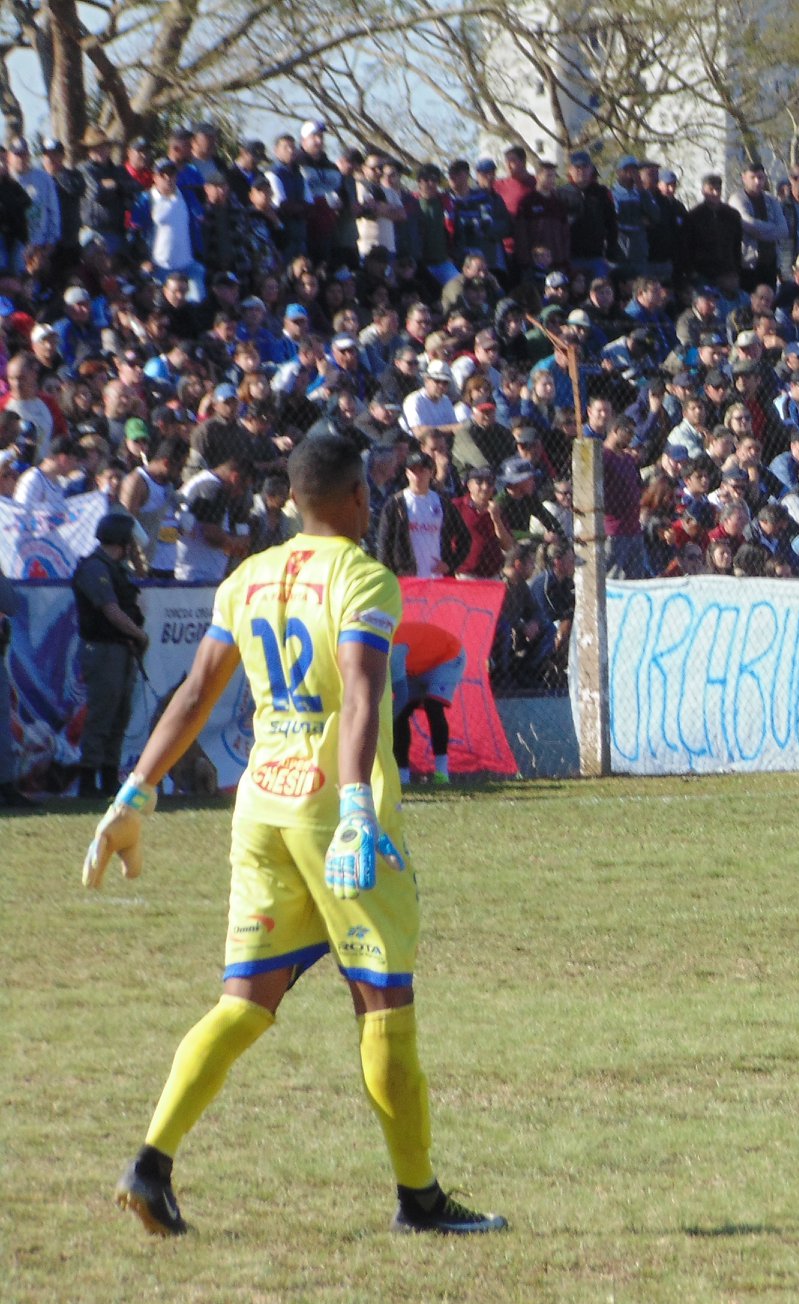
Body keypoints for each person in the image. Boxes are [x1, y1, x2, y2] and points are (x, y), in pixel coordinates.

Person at [84, 432, 506, 1236]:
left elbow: (196, 691)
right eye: (368, 493)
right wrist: (356, 806)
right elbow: (358, 691)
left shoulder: (248, 577)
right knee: (382, 1001)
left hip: (262, 809)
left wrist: (135, 791)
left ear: (290, 500)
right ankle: (419, 1200)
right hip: (335, 817)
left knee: (242, 1002)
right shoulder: (364, 578)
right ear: (355, 498)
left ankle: (151, 1162)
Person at [71, 513, 148, 799]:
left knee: (120, 715)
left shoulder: (116, 568)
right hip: (103, 650)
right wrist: (139, 635)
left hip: (121, 650)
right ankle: (89, 780)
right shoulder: (95, 568)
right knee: (103, 715)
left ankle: (108, 775)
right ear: (121, 540)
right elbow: (111, 610)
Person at [390, 619, 465, 785]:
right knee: (402, 714)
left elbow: (401, 695)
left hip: (447, 657)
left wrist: (385, 721)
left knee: (433, 706)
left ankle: (441, 773)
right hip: (416, 664)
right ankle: (402, 777)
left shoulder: (395, 649)